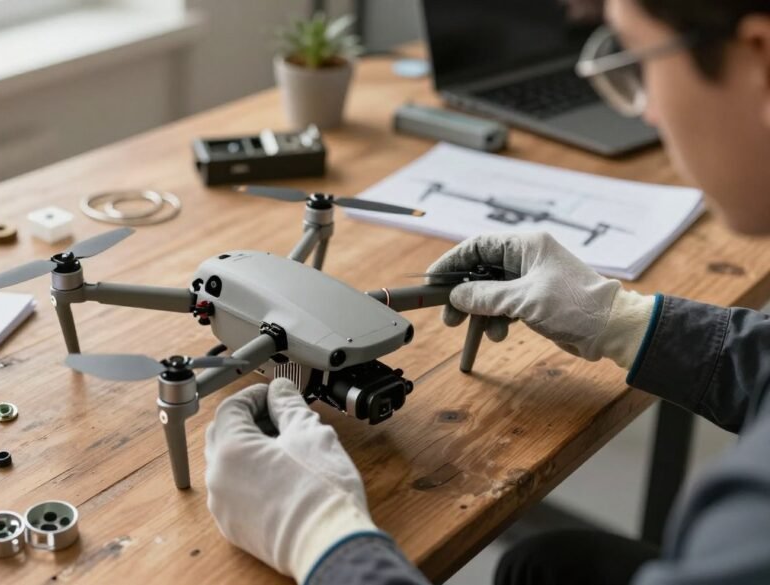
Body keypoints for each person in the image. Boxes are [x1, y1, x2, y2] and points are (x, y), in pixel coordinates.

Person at [203, 0, 770, 584]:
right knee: (545, 567)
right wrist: (620, 319)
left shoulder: (750, 522)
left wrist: (321, 538)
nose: (646, 111)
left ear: (760, 59)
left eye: (638, 63)